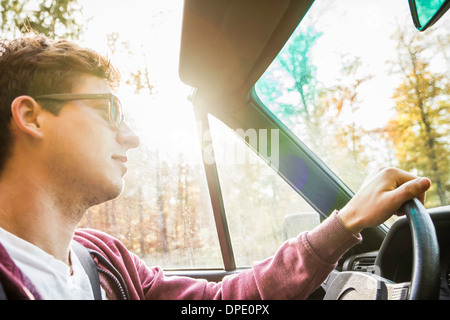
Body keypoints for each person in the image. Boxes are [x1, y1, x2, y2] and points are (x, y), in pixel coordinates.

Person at [0, 34, 431, 300]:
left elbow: (225, 299)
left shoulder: (105, 260)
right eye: (109, 109)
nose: (130, 136)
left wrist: (348, 220)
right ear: (32, 117)